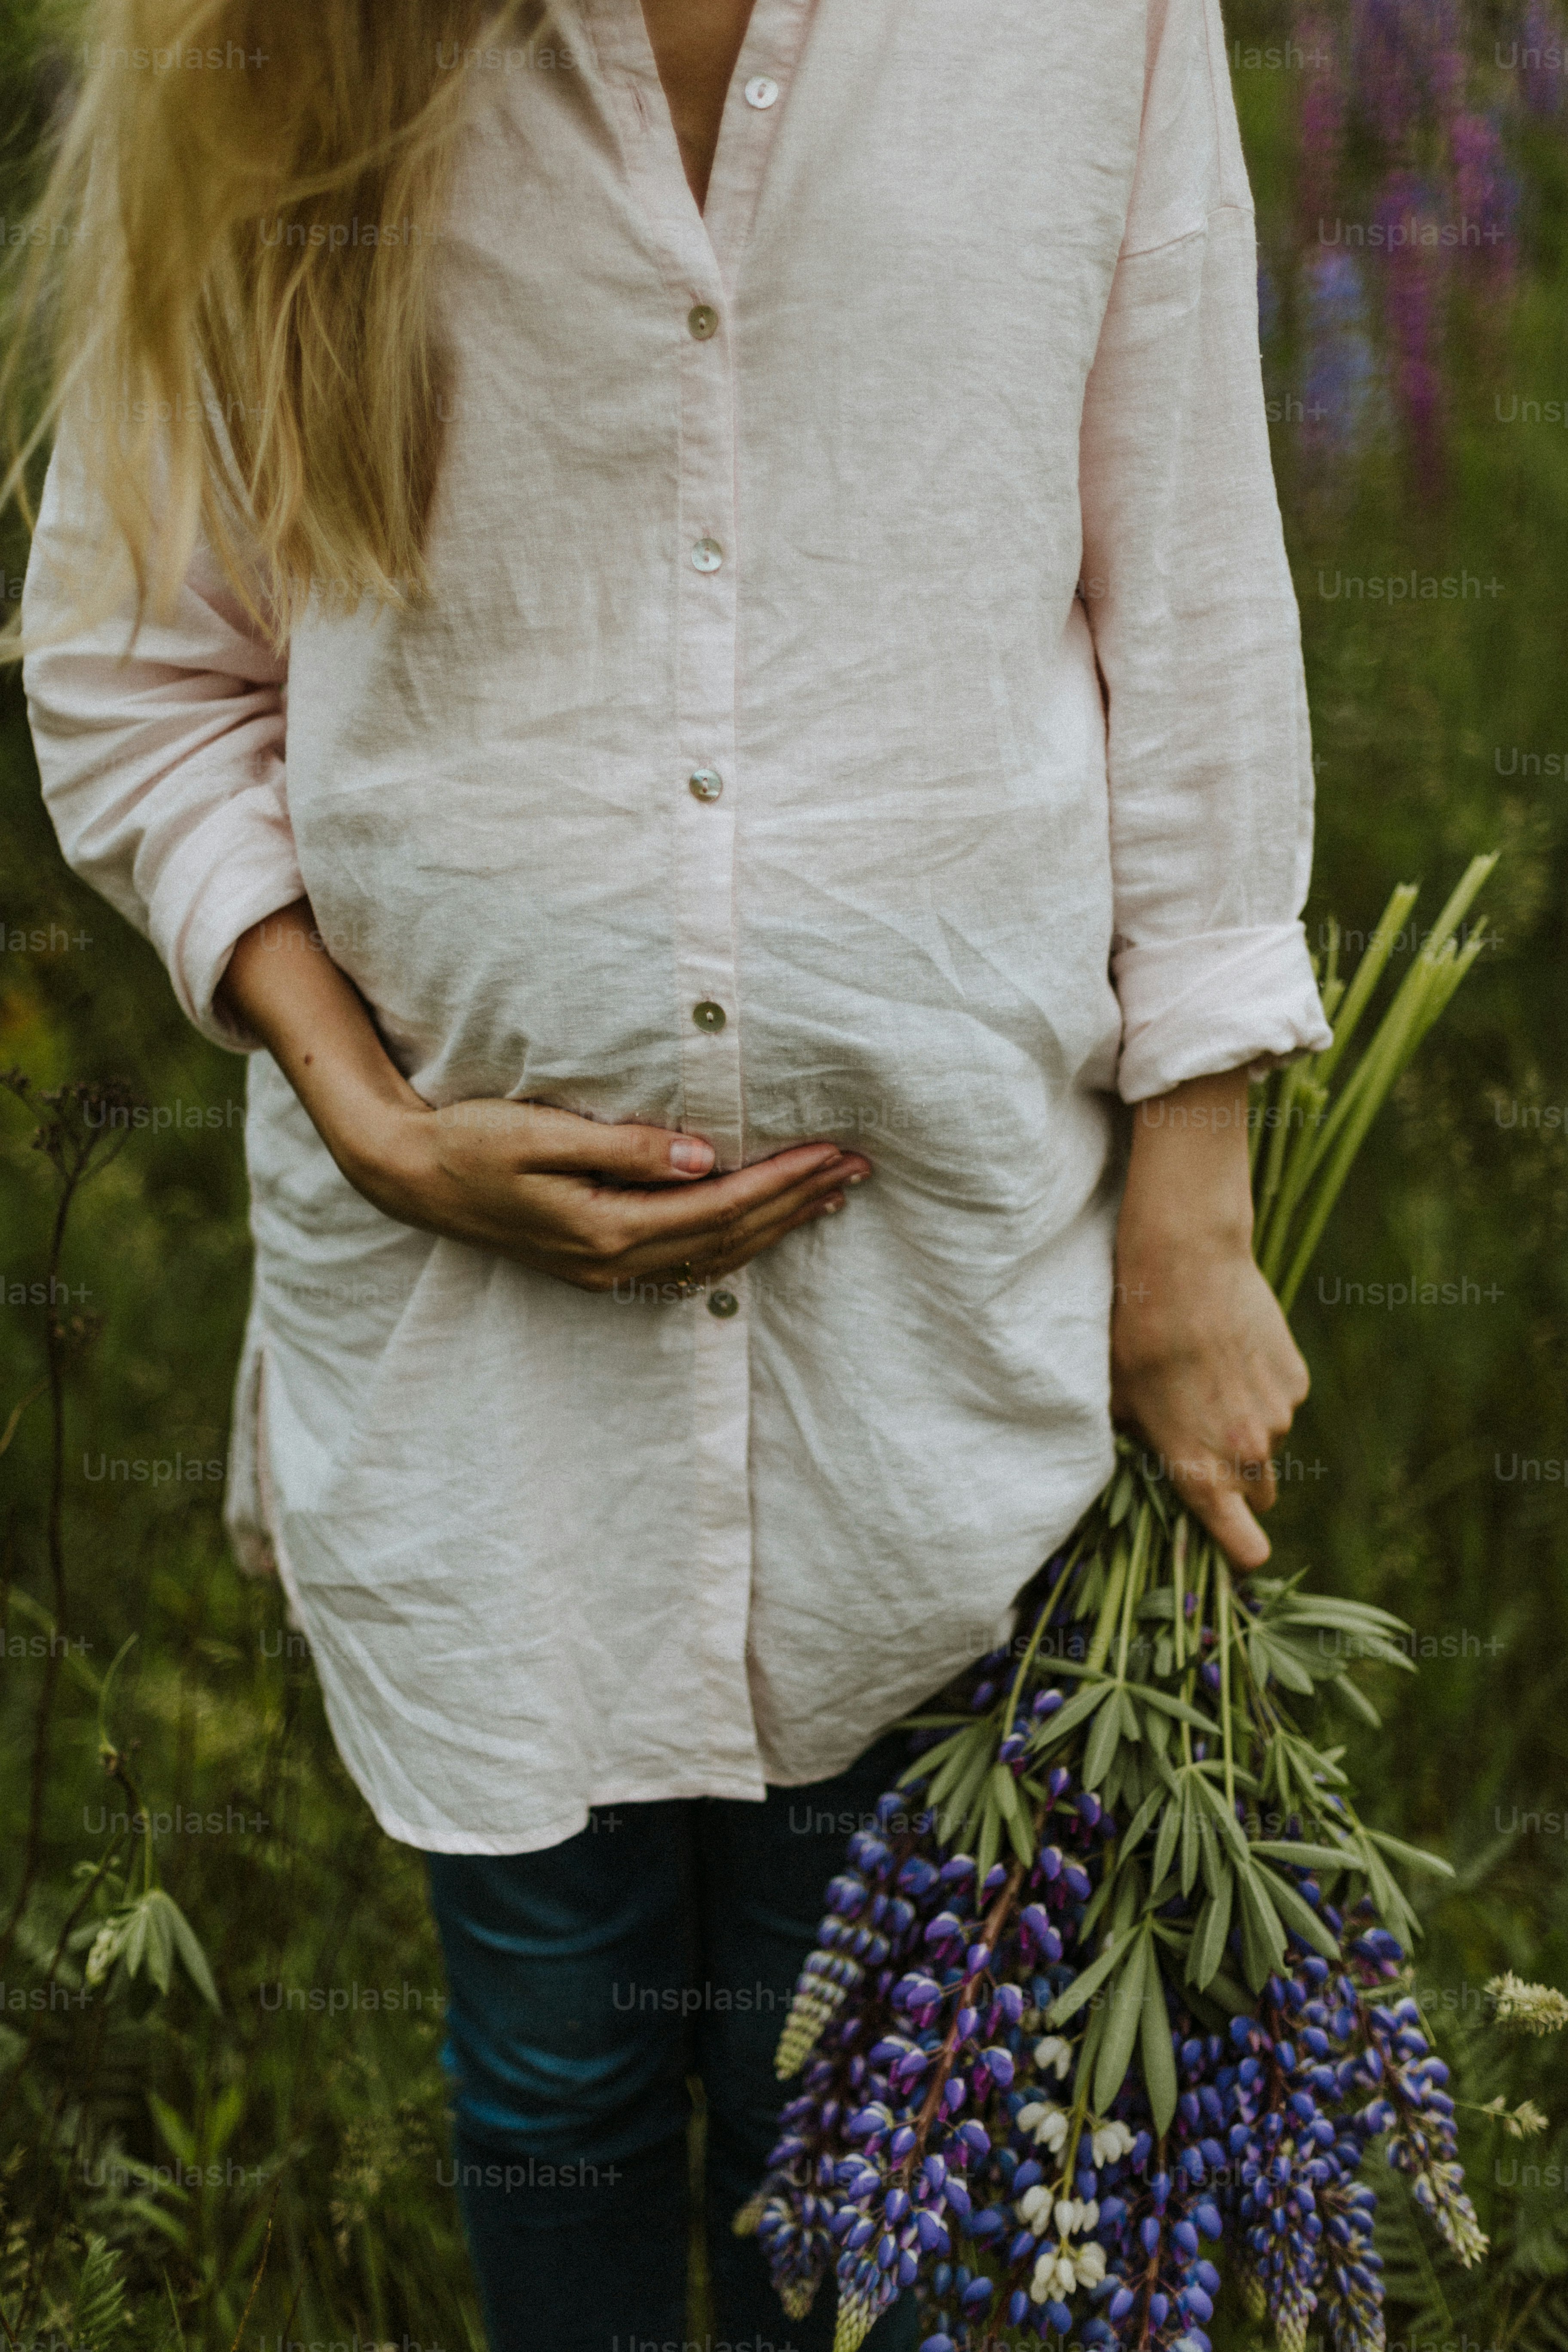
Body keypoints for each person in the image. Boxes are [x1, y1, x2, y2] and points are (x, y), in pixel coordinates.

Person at [12, 0, 1328, 2343]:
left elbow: (1195, 595)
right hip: (479, 1383)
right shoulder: (276, 48)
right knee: (554, 2080)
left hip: (940, 1345)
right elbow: (132, 669)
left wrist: (1191, 1206)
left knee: (894, 2123)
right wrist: (365, 1101)